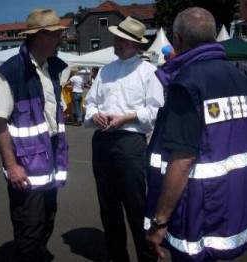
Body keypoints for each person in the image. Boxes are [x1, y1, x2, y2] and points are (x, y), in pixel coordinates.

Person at [145, 7, 247, 262]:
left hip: (198, 207)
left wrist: (160, 220)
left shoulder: (187, 83)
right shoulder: (244, 81)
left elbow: (183, 158)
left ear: (176, 40)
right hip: (235, 202)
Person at [0, 9, 69, 262]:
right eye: (57, 34)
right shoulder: (10, 72)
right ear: (40, 36)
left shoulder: (51, 69)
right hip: (25, 167)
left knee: (47, 221)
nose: (61, 39)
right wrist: (11, 166)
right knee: (29, 229)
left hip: (49, 161)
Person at [84, 16, 164, 262]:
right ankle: (118, 257)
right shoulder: (106, 70)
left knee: (136, 205)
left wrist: (124, 119)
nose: (116, 43)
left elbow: (155, 110)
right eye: (117, 38)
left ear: (137, 45)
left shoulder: (149, 72)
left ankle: (146, 256)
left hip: (130, 145)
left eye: (122, 40)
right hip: (103, 142)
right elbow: (90, 103)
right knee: (108, 208)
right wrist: (94, 115)